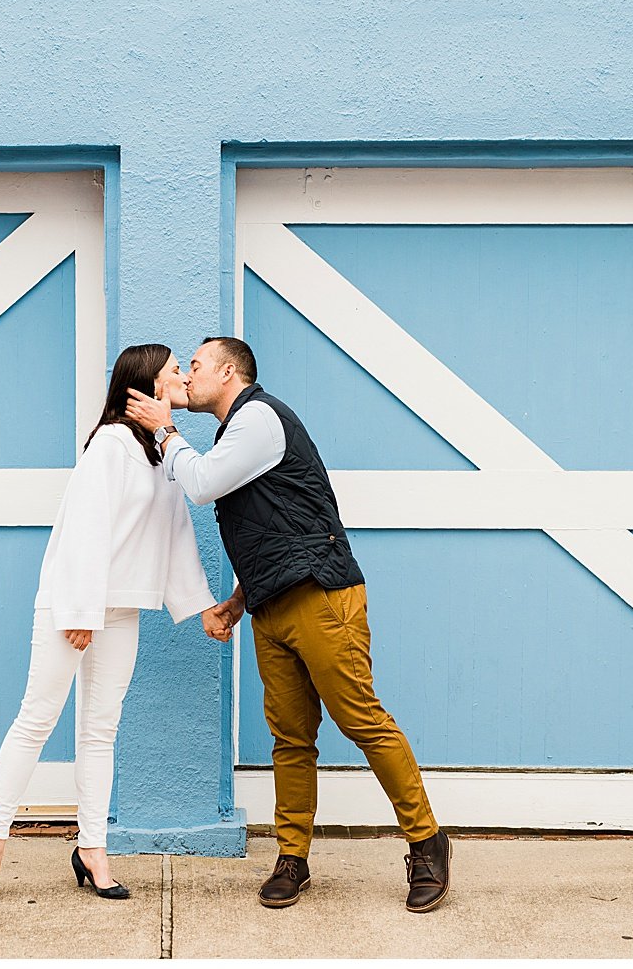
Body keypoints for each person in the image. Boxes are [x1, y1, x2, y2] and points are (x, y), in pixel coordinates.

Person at [124, 336, 451, 913]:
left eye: (196, 366)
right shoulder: (237, 435)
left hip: (323, 598)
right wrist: (235, 603)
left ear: (229, 373)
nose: (189, 374)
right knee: (290, 738)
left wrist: (163, 429)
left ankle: (427, 845)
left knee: (362, 719)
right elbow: (276, 529)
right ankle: (292, 858)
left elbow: (199, 485)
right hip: (272, 607)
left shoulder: (260, 419)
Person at [0, 343, 227, 906]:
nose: (183, 376)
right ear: (148, 387)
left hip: (122, 608)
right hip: (72, 605)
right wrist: (80, 611)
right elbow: (83, 529)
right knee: (36, 720)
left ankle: (92, 849)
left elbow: (176, 535)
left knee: (100, 731)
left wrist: (203, 604)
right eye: (175, 370)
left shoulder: (162, 455)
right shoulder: (110, 446)